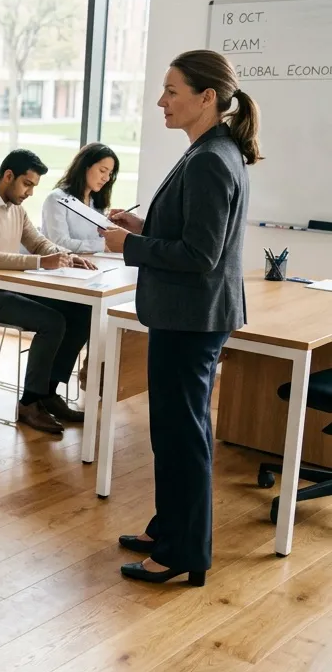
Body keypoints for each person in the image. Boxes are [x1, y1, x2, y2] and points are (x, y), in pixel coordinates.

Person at [101, 50, 257, 587]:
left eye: (172, 91)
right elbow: (193, 234)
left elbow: (200, 255)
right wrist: (141, 226)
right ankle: (169, 528)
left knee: (182, 435)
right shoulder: (211, 151)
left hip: (191, 318)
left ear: (206, 97)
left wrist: (131, 245)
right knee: (174, 432)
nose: (161, 101)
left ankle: (183, 552)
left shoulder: (212, 157)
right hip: (188, 314)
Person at [0, 149, 97, 434]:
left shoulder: (15, 208)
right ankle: (29, 403)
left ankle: (46, 392)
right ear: (8, 176)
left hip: (7, 288)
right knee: (52, 322)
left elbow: (38, 242)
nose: (30, 193)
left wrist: (66, 255)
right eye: (27, 184)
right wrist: (42, 262)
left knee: (82, 311)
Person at [40, 142, 119, 254]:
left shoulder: (95, 203)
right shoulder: (56, 199)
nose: (106, 178)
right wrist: (103, 245)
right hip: (62, 267)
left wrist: (111, 227)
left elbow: (96, 240)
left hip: (93, 264)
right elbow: (60, 243)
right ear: (85, 166)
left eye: (110, 174)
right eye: (102, 171)